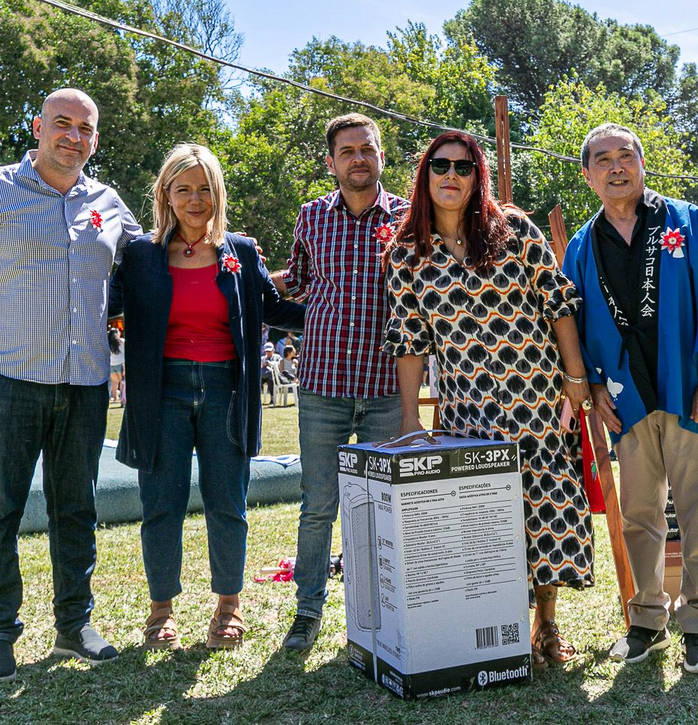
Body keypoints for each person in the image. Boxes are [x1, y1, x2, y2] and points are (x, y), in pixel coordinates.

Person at [0, 88, 142, 682]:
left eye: (86, 128)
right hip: (7, 379)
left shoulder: (107, 203)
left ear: (95, 138)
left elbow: (150, 261)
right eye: (63, 124)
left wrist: (230, 257)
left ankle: (74, 627)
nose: (74, 136)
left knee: (78, 509)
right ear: (38, 126)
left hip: (85, 383)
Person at [384, 132, 595, 665]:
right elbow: (408, 338)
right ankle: (496, 629)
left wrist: (575, 375)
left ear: (478, 176)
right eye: (440, 166)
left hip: (537, 400)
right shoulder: (406, 253)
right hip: (467, 412)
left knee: (542, 510)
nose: (450, 175)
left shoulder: (515, 230)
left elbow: (559, 301)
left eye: (463, 166)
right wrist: (410, 419)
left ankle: (546, 626)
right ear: (424, 175)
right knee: (484, 523)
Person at [561, 124, 698, 675]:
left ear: (642, 163)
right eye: (603, 159)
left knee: (697, 512)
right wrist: (593, 385)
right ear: (589, 174)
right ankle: (646, 618)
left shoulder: (688, 224)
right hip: (625, 397)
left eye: (626, 156)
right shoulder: (581, 246)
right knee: (640, 514)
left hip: (692, 391)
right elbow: (569, 323)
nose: (616, 166)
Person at [110, 143, 304, 651]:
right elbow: (94, 303)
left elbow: (272, 309)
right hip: (161, 393)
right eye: (184, 189)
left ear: (217, 192)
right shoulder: (140, 255)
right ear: (166, 195)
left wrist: (334, 316)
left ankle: (228, 609)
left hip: (227, 390)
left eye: (205, 188)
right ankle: (161, 614)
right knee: (161, 506)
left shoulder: (239, 250)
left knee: (228, 506)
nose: (196, 199)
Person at [269, 113, 408, 651]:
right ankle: (307, 611)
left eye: (366, 149)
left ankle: (384, 611)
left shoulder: (405, 216)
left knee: (385, 503)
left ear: (379, 156)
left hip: (385, 385)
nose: (358, 158)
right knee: (319, 503)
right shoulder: (311, 217)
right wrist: (241, 270)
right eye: (347, 151)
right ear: (331, 162)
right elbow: (298, 284)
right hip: (323, 382)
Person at [108, 328, 125, 404]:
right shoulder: (122, 341)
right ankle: (122, 398)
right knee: (122, 382)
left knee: (114, 383)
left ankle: (115, 398)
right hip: (121, 364)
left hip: (111, 364)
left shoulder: (108, 343)